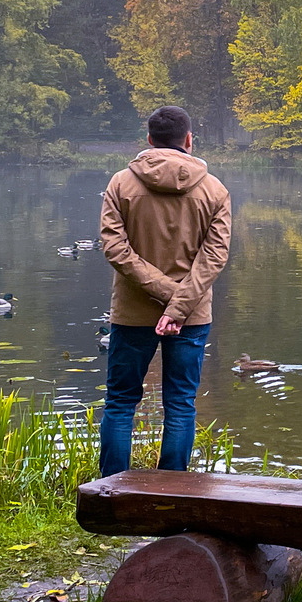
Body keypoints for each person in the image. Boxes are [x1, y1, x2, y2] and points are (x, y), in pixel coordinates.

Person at [97, 105, 232, 476]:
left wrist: (163, 295)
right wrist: (178, 305)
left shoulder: (120, 184)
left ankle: (111, 494)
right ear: (189, 140)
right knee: (180, 404)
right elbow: (215, 256)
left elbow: (115, 250)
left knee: (121, 402)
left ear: (149, 141)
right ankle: (172, 494)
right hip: (190, 316)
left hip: (132, 313)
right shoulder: (215, 190)